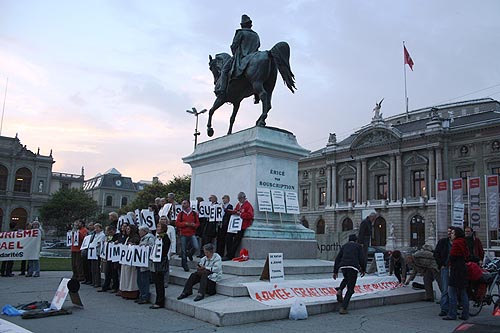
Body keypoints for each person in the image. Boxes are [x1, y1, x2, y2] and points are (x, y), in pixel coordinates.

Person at [215, 14, 260, 98]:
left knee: (224, 70)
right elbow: (258, 45)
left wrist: (234, 54)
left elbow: (234, 46)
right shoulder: (256, 34)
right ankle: (256, 95)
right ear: (250, 25)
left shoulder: (241, 33)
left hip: (241, 57)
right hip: (254, 55)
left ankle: (222, 91)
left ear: (242, 25)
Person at [333, 234, 365, 314]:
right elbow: (362, 258)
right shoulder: (358, 246)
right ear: (356, 240)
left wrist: (335, 271)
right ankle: (343, 307)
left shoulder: (344, 246)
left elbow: (338, 258)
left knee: (346, 278)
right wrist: (363, 269)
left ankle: (340, 289)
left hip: (343, 266)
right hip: (353, 267)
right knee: (350, 289)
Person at [443, 227, 470, 321]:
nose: (451, 235)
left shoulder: (456, 243)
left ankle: (452, 314)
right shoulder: (463, 242)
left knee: (451, 292)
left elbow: (452, 256)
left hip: (456, 270)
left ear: (457, 234)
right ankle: (465, 314)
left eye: (453, 233)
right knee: (463, 292)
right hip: (462, 268)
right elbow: (467, 255)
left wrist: (446, 264)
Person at [224, 192, 254, 261]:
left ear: (244, 198)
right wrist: (233, 212)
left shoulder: (248, 205)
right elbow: (236, 210)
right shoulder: (239, 204)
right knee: (228, 237)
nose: (239, 200)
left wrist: (241, 214)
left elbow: (250, 215)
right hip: (235, 225)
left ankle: (231, 254)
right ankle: (228, 253)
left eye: (240, 198)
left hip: (242, 226)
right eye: (238, 199)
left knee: (236, 240)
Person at [150, 222, 171, 309]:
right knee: (157, 282)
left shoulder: (165, 238)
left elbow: (164, 250)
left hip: (161, 261)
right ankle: (158, 300)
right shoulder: (158, 237)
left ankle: (160, 301)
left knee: (160, 282)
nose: (157, 228)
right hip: (157, 261)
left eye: (159, 227)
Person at [176, 199, 200, 272]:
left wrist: (194, 225)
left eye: (185, 203)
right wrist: (185, 224)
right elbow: (177, 223)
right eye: (182, 203)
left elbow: (198, 223)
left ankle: (190, 254)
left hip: (192, 233)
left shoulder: (194, 213)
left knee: (196, 246)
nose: (183, 205)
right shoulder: (181, 214)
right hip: (183, 233)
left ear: (189, 204)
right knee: (183, 250)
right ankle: (184, 264)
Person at [435, 227, 453, 316]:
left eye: (451, 232)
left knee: (454, 290)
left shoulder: (458, 242)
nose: (449, 234)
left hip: (455, 269)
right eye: (448, 232)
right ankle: (444, 309)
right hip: (445, 268)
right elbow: (436, 253)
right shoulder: (443, 242)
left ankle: (453, 308)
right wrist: (441, 264)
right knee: (445, 289)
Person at [119, 223, 140, 299]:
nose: (126, 230)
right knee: (125, 276)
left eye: (128, 229)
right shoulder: (127, 237)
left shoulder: (135, 237)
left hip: (131, 261)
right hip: (125, 260)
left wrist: (133, 244)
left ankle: (131, 292)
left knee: (130, 277)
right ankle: (124, 291)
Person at [99, 225, 120, 293]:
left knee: (114, 273)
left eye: (110, 232)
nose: (109, 233)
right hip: (108, 256)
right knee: (107, 272)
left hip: (114, 257)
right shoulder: (109, 237)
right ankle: (106, 286)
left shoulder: (117, 236)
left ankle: (115, 287)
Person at [137, 226, 155, 304]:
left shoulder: (149, 238)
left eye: (140, 231)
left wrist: (144, 247)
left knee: (144, 280)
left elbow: (152, 248)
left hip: (145, 262)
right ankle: (141, 295)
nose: (139, 232)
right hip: (140, 261)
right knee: (139, 280)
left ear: (144, 231)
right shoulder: (142, 238)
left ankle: (145, 296)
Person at [90, 223, 105, 288]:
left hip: (97, 253)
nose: (95, 229)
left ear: (100, 228)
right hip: (92, 252)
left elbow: (99, 243)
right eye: (95, 228)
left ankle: (97, 282)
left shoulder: (102, 235)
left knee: (97, 268)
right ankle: (93, 281)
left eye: (97, 228)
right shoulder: (95, 235)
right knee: (93, 267)